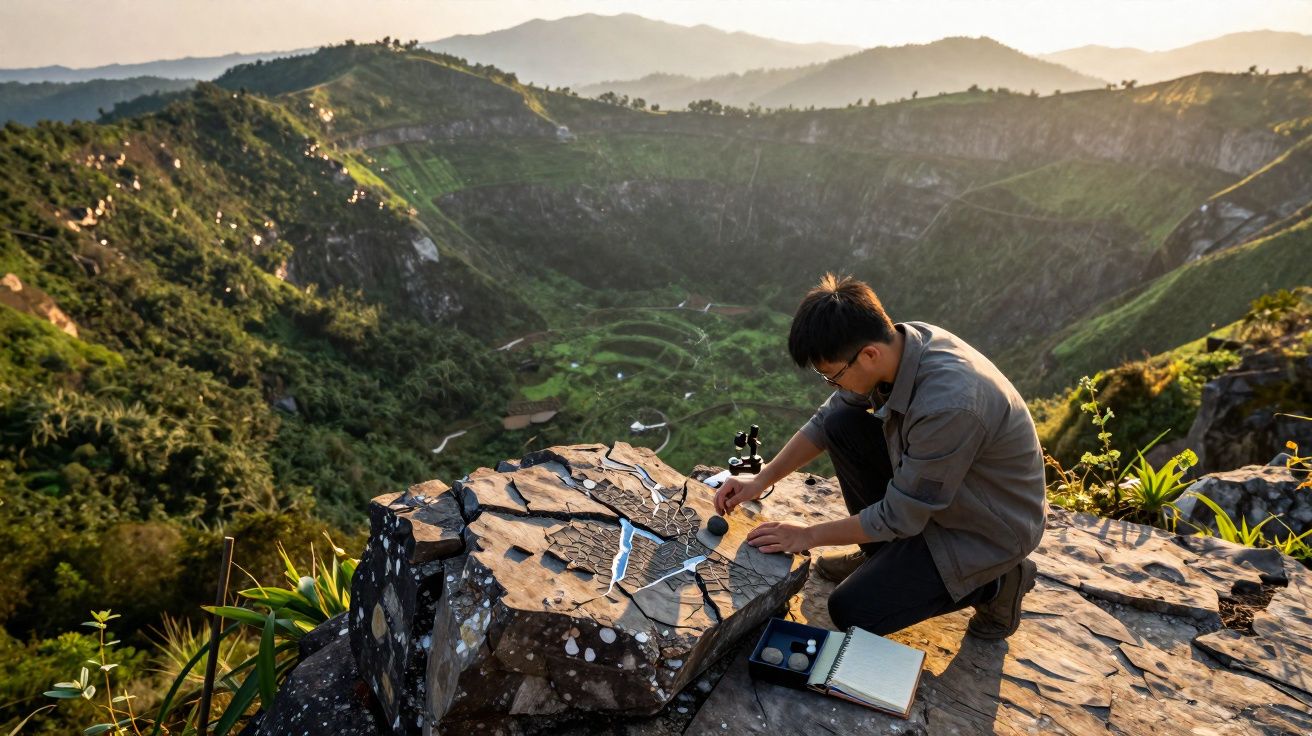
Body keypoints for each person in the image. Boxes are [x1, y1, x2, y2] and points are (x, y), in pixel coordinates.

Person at [714, 274, 1047, 639]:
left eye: (833, 376)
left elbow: (900, 516)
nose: (833, 386)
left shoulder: (950, 404)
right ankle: (882, 554)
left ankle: (998, 582)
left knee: (851, 611)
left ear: (869, 354)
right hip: (940, 495)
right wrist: (761, 480)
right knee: (842, 424)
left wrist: (807, 535)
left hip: (983, 527)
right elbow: (826, 421)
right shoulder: (900, 346)